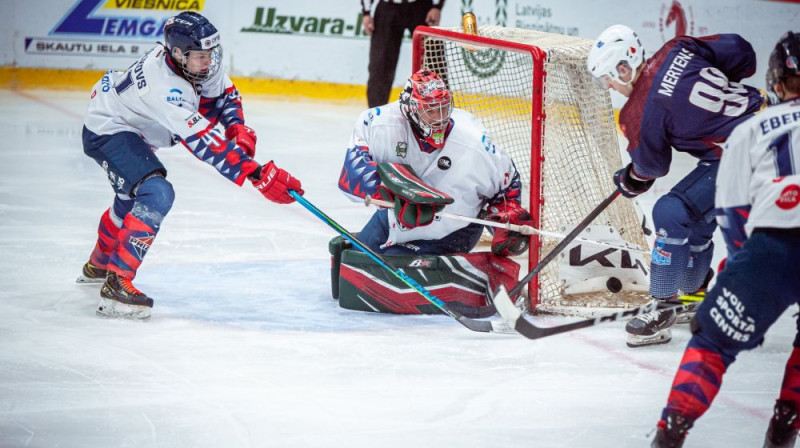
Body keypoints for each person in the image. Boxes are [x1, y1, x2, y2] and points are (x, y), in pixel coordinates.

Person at [77, 11, 303, 320]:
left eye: (211, 54)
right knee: (156, 194)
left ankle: (98, 265)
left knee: (128, 200)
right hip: (108, 130)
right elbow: (203, 142)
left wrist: (237, 126)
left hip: (133, 124)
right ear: (178, 54)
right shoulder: (163, 86)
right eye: (200, 56)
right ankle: (117, 281)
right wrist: (255, 172)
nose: (208, 62)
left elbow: (223, 93)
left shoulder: (191, 65)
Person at [650, 31, 800, 448]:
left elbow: (733, 215)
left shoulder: (752, 130)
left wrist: (734, 282)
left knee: (712, 345)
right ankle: (785, 427)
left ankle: (669, 435)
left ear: (777, 78)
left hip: (770, 251)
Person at [586, 25, 764, 348]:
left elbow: (652, 167)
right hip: (770, 124)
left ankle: (662, 306)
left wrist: (628, 180)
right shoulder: (676, 48)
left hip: (746, 156)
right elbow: (743, 53)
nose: (609, 85)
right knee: (693, 216)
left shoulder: (638, 112)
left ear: (623, 67)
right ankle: (693, 293)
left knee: (669, 212)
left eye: (608, 77)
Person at [338, 69, 532, 258]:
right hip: (391, 221)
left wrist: (505, 219)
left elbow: (507, 184)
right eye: (430, 111)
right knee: (355, 263)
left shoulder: (474, 141)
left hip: (453, 231)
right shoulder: (378, 123)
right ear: (409, 109)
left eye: (444, 108)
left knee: (392, 271)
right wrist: (390, 191)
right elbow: (351, 178)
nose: (440, 118)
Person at [362, 0, 445, 108]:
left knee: (433, 62)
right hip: (387, 8)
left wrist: (437, 6)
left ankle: (440, 109)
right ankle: (376, 113)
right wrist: (366, 12)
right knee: (380, 65)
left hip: (421, 8)